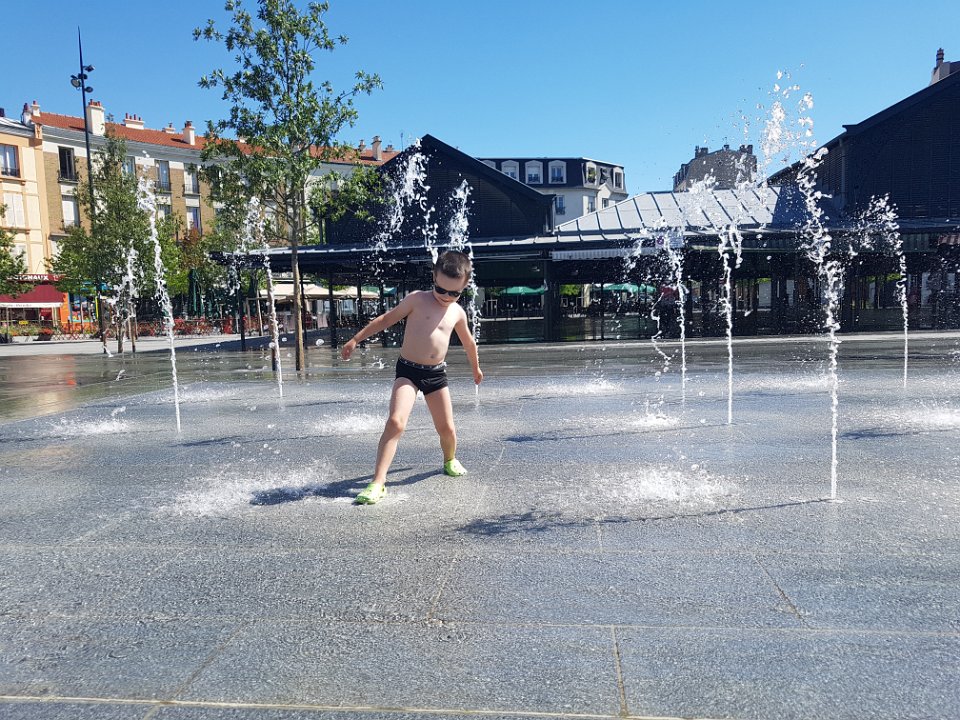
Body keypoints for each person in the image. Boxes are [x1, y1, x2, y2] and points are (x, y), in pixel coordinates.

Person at [340, 250, 483, 505]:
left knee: (447, 429)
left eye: (454, 293)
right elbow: (385, 320)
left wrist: (476, 368)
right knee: (395, 422)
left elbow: (469, 344)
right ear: (434, 277)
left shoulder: (457, 312)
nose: (446, 297)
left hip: (436, 374)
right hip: (408, 371)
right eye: (441, 289)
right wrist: (355, 339)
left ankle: (449, 459)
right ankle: (378, 482)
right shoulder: (417, 300)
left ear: (464, 288)